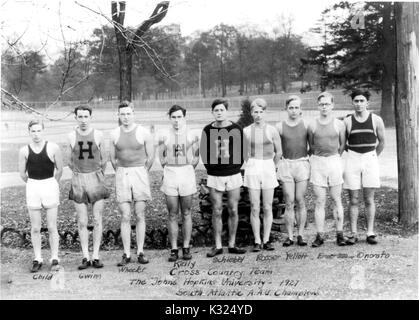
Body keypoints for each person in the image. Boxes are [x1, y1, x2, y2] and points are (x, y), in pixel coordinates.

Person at [200, 98, 246, 257]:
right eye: (216, 110)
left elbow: (242, 151)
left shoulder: (236, 128)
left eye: (222, 110)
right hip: (215, 175)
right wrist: (211, 169)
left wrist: (235, 168)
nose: (219, 113)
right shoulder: (207, 130)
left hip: (233, 174)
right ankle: (218, 245)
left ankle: (232, 244)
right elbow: (204, 153)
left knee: (233, 209)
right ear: (212, 112)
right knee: (217, 210)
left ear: (226, 111)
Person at [110, 101, 155, 265]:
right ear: (118, 116)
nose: (126, 117)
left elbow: (150, 157)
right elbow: (112, 158)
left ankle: (141, 252)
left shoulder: (143, 132)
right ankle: (127, 253)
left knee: (140, 214)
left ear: (133, 114)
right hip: (122, 173)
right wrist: (122, 171)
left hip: (139, 173)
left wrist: (142, 171)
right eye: (122, 114)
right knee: (125, 216)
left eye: (128, 113)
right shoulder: (114, 133)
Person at [18, 120, 63, 272]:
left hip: (49, 184)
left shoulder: (53, 147)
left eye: (38, 131)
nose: (36, 134)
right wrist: (33, 184)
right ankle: (37, 258)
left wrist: (51, 184)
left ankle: (55, 258)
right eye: (33, 131)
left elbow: (60, 169)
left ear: (43, 131)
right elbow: (22, 174)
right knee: (36, 227)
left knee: (51, 226)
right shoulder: (24, 150)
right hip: (33, 186)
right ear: (29, 132)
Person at [68, 105, 109, 270]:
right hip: (78, 179)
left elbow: (104, 160)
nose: (83, 120)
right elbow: (70, 161)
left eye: (86, 116)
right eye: (80, 116)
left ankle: (96, 255)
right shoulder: (71, 136)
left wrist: (97, 175)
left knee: (97, 219)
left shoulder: (98, 134)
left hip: (96, 177)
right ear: (76, 118)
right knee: (82, 220)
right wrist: (79, 174)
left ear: (90, 117)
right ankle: (85, 256)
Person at [157, 105, 200, 261]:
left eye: (179, 117)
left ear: (184, 117)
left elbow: (196, 155)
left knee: (187, 212)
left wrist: (189, 168)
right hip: (170, 174)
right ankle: (174, 248)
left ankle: (186, 247)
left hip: (186, 173)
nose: (176, 120)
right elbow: (161, 157)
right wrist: (168, 168)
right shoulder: (165, 135)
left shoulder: (191, 135)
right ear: (170, 118)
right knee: (172, 213)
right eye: (173, 117)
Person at [343, 89, 385, 245]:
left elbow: (382, 142)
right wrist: (354, 154)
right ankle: (353, 233)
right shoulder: (347, 121)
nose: (359, 104)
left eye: (362, 101)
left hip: (370, 158)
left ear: (368, 103)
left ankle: (370, 232)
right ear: (352, 102)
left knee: (369, 199)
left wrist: (372, 156)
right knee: (353, 199)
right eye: (356, 101)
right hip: (353, 158)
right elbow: (343, 144)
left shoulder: (376, 120)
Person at [307, 92, 346, 247]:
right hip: (318, 163)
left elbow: (342, 145)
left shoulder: (339, 124)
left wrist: (334, 157)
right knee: (319, 201)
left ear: (332, 105)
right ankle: (320, 235)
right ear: (318, 106)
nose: (324, 107)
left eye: (327, 104)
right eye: (321, 104)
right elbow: (311, 145)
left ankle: (340, 234)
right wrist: (319, 158)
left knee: (337, 199)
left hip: (334, 161)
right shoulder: (312, 124)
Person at [243, 98, 282, 252]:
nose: (258, 115)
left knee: (267, 206)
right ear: (251, 113)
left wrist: (273, 165)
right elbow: (243, 152)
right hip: (253, 166)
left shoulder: (271, 130)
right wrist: (250, 163)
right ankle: (257, 240)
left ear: (264, 113)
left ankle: (266, 239)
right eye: (255, 112)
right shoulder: (246, 131)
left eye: (261, 112)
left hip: (267, 166)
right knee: (254, 206)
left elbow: (279, 152)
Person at [276, 95, 309, 247]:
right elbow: (275, 149)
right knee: (289, 201)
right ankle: (290, 236)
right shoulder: (279, 126)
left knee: (300, 200)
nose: (294, 111)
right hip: (286, 165)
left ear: (300, 109)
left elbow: (313, 145)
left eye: (296, 107)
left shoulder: (307, 125)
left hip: (302, 164)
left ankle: (301, 234)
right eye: (291, 108)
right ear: (286, 109)